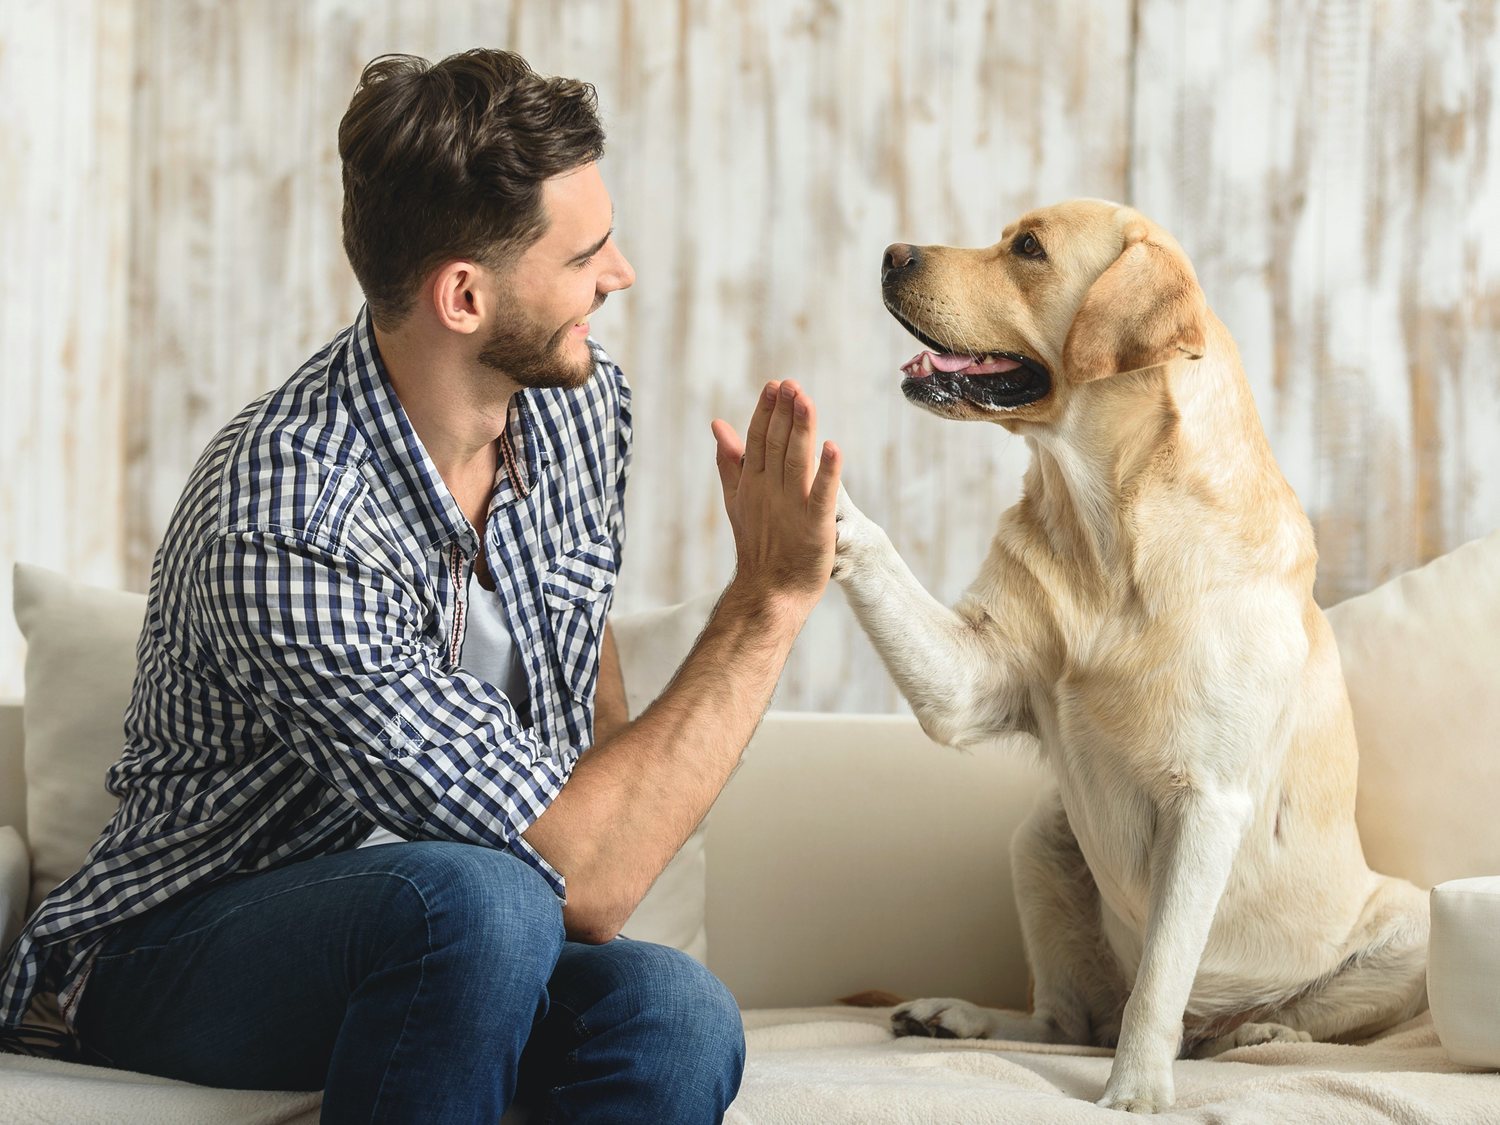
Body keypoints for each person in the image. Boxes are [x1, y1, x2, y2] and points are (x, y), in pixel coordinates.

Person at [0, 48, 841, 1123]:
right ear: (463, 296)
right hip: (174, 948)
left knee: (674, 1013)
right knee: (479, 899)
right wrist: (766, 602)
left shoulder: (578, 409)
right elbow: (578, 874)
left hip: (471, 930)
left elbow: (585, 691)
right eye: (585, 253)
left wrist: (601, 848)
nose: (620, 274)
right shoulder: (290, 512)